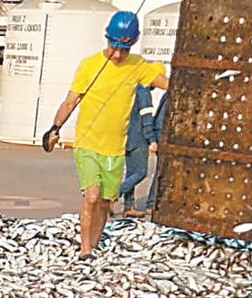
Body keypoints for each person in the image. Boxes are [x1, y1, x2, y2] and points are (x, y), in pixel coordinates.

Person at [42, 11, 168, 258]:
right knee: (92, 196)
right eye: (114, 47)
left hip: (114, 149)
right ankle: (85, 250)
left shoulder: (139, 66)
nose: (118, 54)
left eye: (125, 49)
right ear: (107, 39)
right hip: (87, 143)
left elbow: (168, 84)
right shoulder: (89, 65)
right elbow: (70, 101)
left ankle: (94, 244)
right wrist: (54, 128)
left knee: (104, 202)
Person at [118, 84, 157, 218]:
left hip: (127, 136)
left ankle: (128, 206)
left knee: (130, 173)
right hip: (139, 137)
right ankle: (114, 195)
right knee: (141, 172)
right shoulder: (144, 93)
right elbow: (146, 119)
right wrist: (151, 139)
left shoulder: (131, 90)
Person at [145, 91, 169, 218]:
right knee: (162, 171)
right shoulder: (171, 95)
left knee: (162, 170)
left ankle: (153, 202)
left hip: (161, 134)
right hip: (164, 135)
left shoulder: (168, 94)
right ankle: (151, 202)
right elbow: (161, 119)